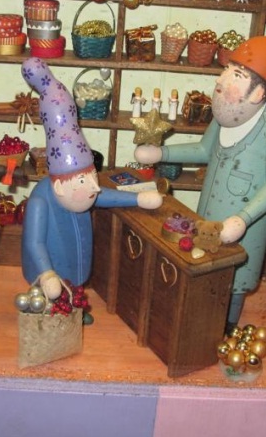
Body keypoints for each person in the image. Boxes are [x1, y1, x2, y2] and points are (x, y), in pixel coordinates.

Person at [135, 33, 266, 331]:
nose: (222, 79)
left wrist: (243, 219)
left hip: (243, 224)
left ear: (258, 93)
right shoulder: (226, 114)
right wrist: (162, 153)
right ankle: (198, 318)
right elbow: (204, 150)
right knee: (204, 266)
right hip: (209, 215)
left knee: (235, 281)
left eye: (237, 75)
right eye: (227, 69)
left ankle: (228, 326)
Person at [20, 57, 163, 319]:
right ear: (60, 186)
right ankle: (49, 309)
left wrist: (138, 199)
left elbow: (102, 195)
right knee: (49, 293)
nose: (94, 188)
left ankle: (74, 305)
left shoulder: (82, 193)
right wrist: (47, 273)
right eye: (84, 182)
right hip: (48, 267)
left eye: (92, 177)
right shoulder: (40, 202)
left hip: (77, 256)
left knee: (75, 280)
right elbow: (35, 242)